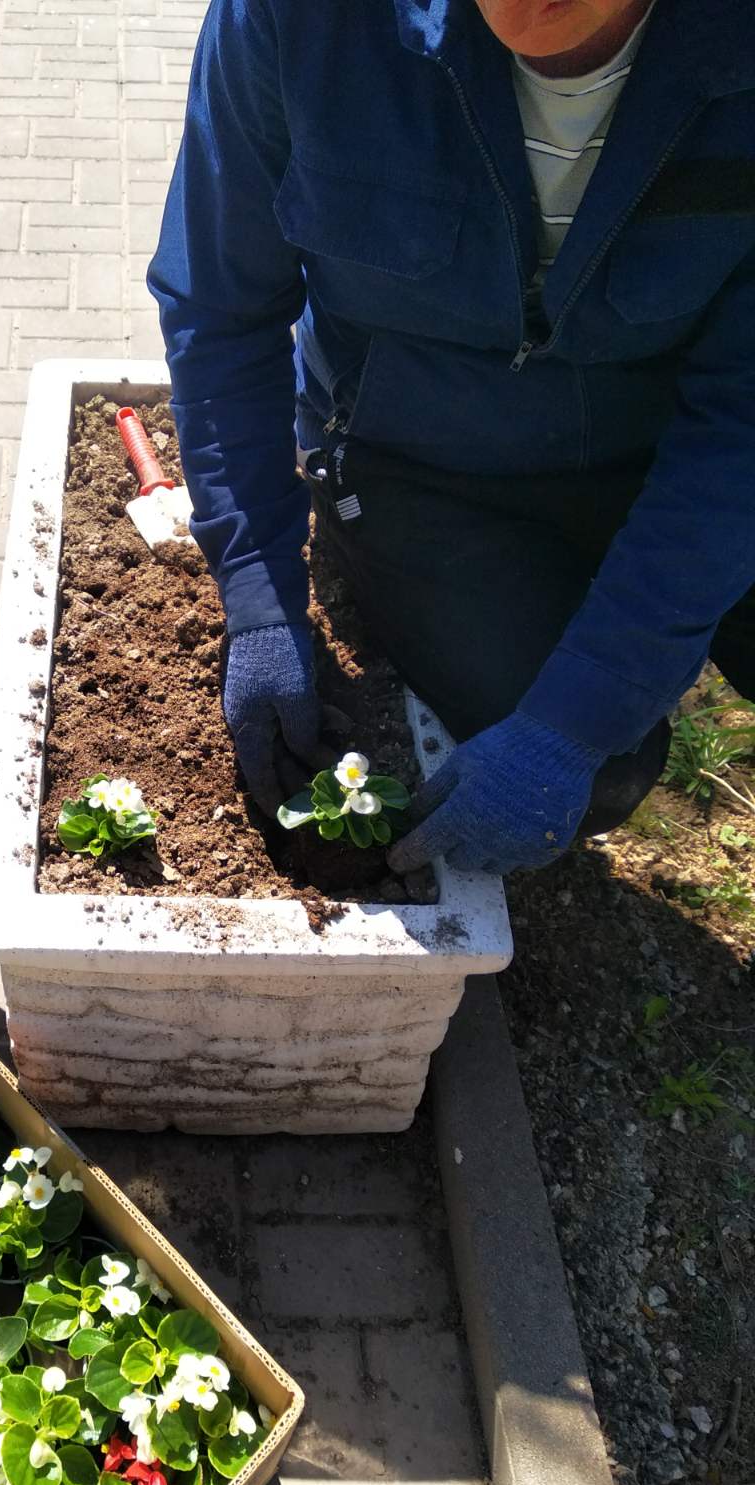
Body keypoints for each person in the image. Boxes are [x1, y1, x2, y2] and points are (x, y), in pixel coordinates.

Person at [148, 0, 755, 877]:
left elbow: (740, 424)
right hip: (415, 462)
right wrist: (258, 597)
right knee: (613, 771)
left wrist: (581, 712)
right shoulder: (305, 22)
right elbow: (221, 307)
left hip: (662, 444)